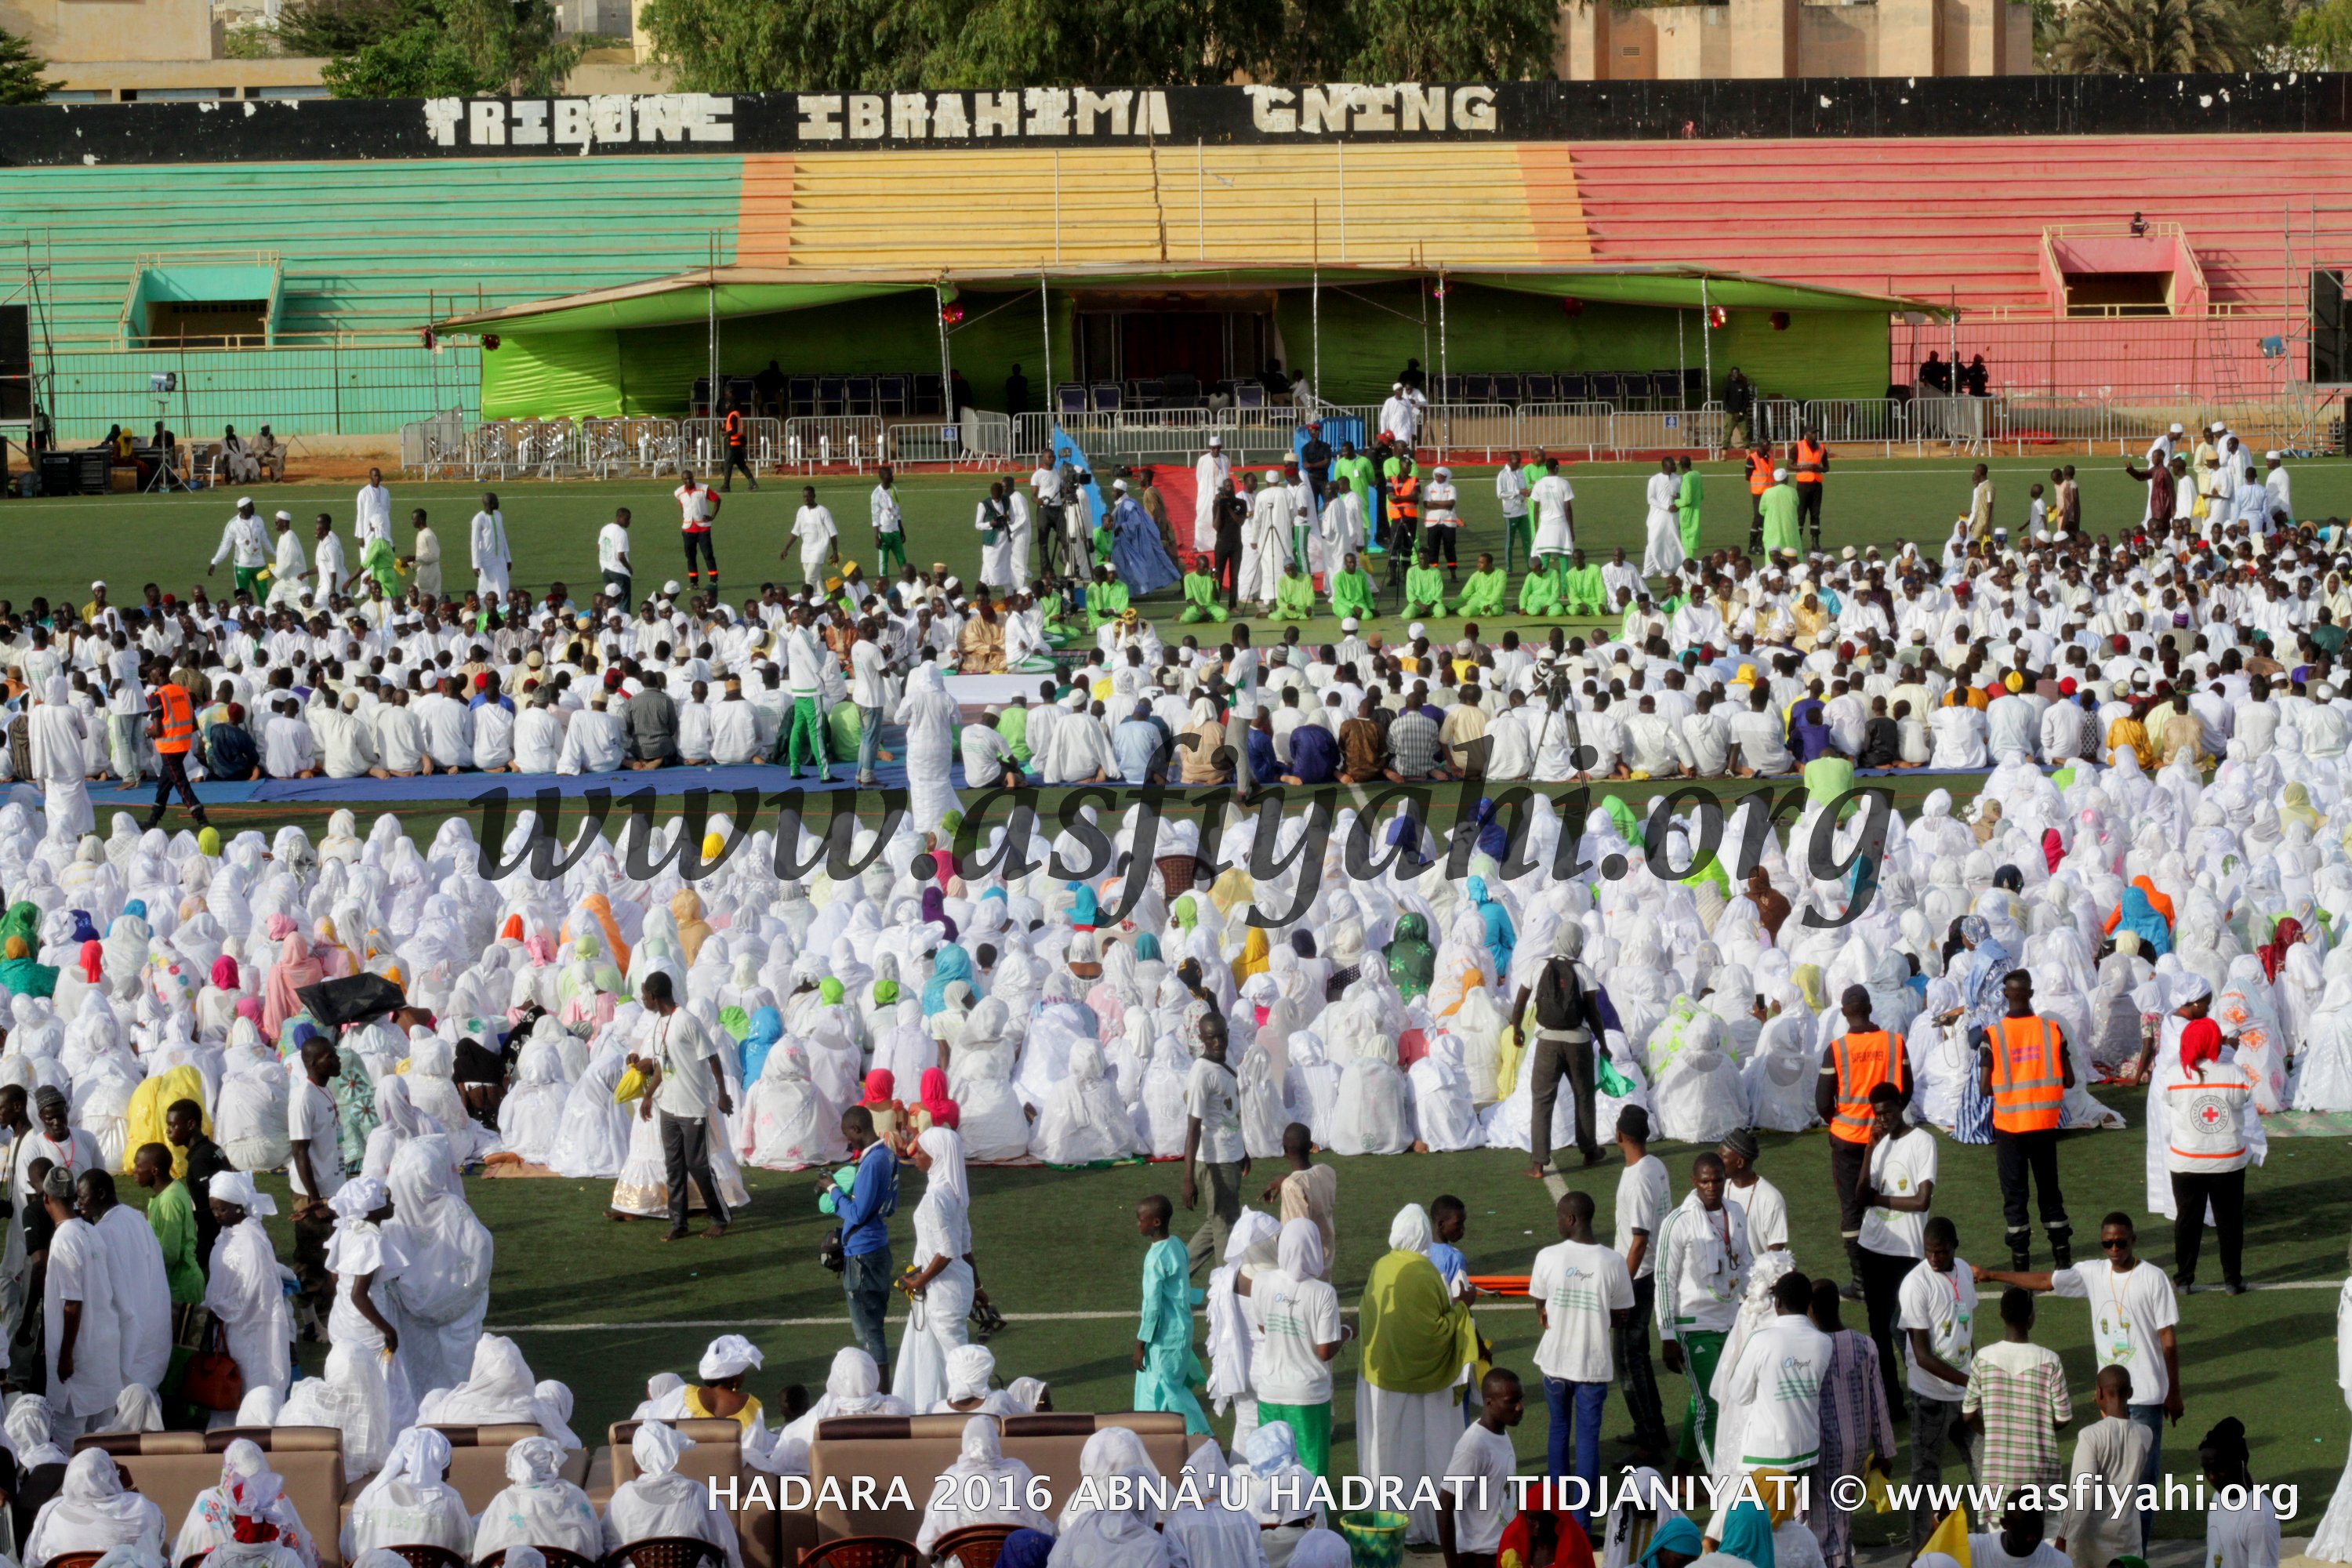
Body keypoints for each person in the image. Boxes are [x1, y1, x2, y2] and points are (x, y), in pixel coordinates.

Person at [1976, 1212, 2180, 1549]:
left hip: (2146, 1399)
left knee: (2140, 1487)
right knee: (2102, 1487)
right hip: (2110, 1401)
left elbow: (2167, 1338)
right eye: (2107, 1243)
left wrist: (2174, 1391)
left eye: (2121, 1242)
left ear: (2133, 1240)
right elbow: (2046, 1281)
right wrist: (1993, 1274)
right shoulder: (2092, 1273)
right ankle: (2102, 1551)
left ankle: (2136, 1555)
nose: (2114, 1249)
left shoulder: (2153, 1278)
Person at [1360, 1205, 1479, 1545]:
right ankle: (1436, 1522)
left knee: (1391, 1454)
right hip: (1429, 1384)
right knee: (1432, 1452)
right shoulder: (1426, 1272)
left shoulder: (1380, 1267)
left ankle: (1394, 1521)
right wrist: (1463, 1306)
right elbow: (1438, 1328)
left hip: (1384, 1381)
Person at [1528, 1189, 1632, 1523]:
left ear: (1570, 1219)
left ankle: (1556, 1514)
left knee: (1558, 1431)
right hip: (1593, 1365)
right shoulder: (1613, 1261)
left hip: (1556, 1362)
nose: (1557, 1221)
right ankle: (1581, 1523)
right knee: (1588, 1442)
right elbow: (1622, 1314)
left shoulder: (1547, 1256)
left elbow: (1540, 1305)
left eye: (1559, 1216)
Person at [1654, 1152, 1749, 1468]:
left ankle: (1681, 1470)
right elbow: (1664, 1280)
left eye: (1718, 1179)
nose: (1712, 1186)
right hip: (1693, 1325)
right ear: (1694, 1182)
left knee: (1709, 1398)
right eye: (1705, 1181)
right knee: (1712, 1403)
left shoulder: (1735, 1212)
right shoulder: (1678, 1222)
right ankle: (1722, 1482)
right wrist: (1667, 1335)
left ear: (1726, 1179)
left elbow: (1745, 1265)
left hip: (1731, 1322)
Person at [1978, 969, 2075, 1272]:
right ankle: (2062, 1257)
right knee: (2050, 1191)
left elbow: (1984, 1088)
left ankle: (2021, 1264)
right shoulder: (2052, 1029)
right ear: (2031, 994)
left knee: (2015, 1195)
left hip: (2010, 1128)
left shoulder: (1993, 1035)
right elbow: (2069, 1080)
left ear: (2005, 995)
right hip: (2045, 1125)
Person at [1819, 984, 1908, 1301]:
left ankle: (1861, 1281)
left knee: (1852, 1208)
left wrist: (1840, 1122)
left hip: (1847, 1141)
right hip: (1887, 1138)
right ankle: (1897, 1276)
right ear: (1870, 1008)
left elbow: (1822, 1102)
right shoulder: (1894, 1043)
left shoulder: (1837, 1049)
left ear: (1844, 1012)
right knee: (1891, 1204)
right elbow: (1906, 1090)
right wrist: (1886, 1122)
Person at [1236, 1218, 1344, 1478]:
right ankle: (1311, 1520)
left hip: (1271, 1390)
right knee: (1311, 1469)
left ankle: (1274, 1517)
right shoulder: (1322, 1292)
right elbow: (1325, 1351)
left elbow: (1264, 1328)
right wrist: (1348, 1332)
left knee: (1271, 1466)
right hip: (1307, 1394)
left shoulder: (1262, 1282)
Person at [631, 971, 731, 1241]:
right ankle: (679, 1224)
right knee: (673, 1166)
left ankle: (720, 1218)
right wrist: (650, 1095)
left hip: (692, 1107)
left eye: (644, 995)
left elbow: (712, 1058)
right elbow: (663, 1066)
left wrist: (722, 1094)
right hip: (668, 1107)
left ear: (654, 995)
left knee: (698, 1166)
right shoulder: (660, 1023)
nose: (643, 999)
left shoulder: (687, 1021)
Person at [1857, 1081, 1936, 1422]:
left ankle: (1928, 1395)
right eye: (1877, 1114)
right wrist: (1868, 1151)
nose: (1883, 1119)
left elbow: (1921, 1201)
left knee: (1906, 1328)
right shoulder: (1880, 1146)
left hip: (1907, 1251)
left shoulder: (1922, 1142)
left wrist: (1877, 1200)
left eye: (1888, 1111)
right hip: (1872, 1246)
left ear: (1901, 1105)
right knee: (1878, 1331)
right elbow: (1860, 1196)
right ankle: (1891, 1403)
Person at [1893, 1214, 1974, 1546]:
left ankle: (1991, 1542)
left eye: (1940, 1252)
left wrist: (1972, 1374)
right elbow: (1923, 1355)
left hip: (1965, 1393)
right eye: (1929, 1252)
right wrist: (1970, 1381)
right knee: (1926, 1475)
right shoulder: (1916, 1284)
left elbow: (1967, 1330)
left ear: (1954, 1246)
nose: (1934, 1258)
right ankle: (1920, 1549)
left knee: (1985, 1468)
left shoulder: (1965, 1271)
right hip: (1930, 1398)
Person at [2165, 1007, 2256, 1293]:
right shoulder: (2235, 1073)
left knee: (2187, 1221)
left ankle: (2184, 1278)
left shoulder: (2173, 1076)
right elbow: (2243, 1099)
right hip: (2227, 1160)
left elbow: (2169, 1100)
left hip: (2186, 1160)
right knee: (2229, 1221)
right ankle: (2233, 1279)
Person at [1512, 920, 1608, 1178]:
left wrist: (1517, 1030)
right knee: (1584, 1096)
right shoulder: (1582, 971)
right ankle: (1589, 1150)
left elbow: (1520, 1002)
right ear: (1577, 944)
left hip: (1548, 1042)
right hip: (1578, 1043)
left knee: (1542, 1100)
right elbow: (1594, 1013)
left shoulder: (1539, 966)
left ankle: (1538, 1163)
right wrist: (1604, 1044)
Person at [1809, 1277, 1892, 1568]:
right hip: (1857, 1445)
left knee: (1823, 1519)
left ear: (1811, 1310)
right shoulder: (1864, 1345)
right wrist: (1885, 1451)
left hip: (1824, 1445)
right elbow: (1879, 1401)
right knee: (1842, 1514)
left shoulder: (1811, 1348)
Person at [1964, 1283, 2071, 1504]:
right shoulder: (2049, 1360)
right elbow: (2063, 1418)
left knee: (1999, 1533)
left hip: (1997, 1475)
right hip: (2041, 1473)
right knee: (2046, 1532)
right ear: (2031, 1317)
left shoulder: (1982, 1359)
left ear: (2002, 1314)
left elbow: (1969, 1415)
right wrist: (2035, 1430)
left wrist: (1994, 1434)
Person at [42, 1165, 125, 1438]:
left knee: (70, 1439)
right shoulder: (90, 1231)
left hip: (79, 1356)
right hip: (102, 1350)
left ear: (46, 1199)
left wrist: (65, 1355)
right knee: (102, 1438)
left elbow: (73, 1303)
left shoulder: (65, 1238)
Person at [1612, 1107, 1673, 1467]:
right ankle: (1654, 1427)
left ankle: (1649, 1442)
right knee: (1638, 1356)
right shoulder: (1656, 1167)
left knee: (1627, 1360)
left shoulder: (1636, 1179)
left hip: (1636, 1277)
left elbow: (1638, 1240)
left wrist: (1620, 1289)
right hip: (1651, 1272)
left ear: (1620, 1135)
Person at [203, 1171, 292, 1413]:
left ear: (239, 1208)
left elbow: (255, 1288)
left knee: (252, 1379)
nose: (216, 1214)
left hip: (252, 1326)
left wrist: (220, 1309)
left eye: (221, 1209)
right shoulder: (227, 1234)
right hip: (232, 1324)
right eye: (213, 1209)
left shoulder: (251, 1240)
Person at [81, 1167, 171, 1399]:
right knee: (145, 1398)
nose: (78, 1204)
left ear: (101, 1193)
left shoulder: (103, 1231)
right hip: (154, 1325)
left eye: (82, 1197)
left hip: (131, 1334)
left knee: (128, 1405)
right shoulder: (135, 1217)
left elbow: (107, 1292)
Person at [604, 1422, 740, 1568]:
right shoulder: (701, 1493)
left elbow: (606, 1547)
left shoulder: (622, 1497)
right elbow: (728, 1544)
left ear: (636, 1460)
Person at [2055, 1366, 2151, 1568]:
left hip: (2093, 1545)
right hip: (2129, 1538)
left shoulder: (2090, 1436)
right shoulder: (2145, 1434)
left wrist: (2063, 1537)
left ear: (2098, 1393)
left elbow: (2082, 1494)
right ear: (2130, 1393)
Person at [1133, 1193, 1211, 1436]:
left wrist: (1140, 1343)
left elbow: (1153, 1306)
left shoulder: (1155, 1259)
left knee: (1167, 1388)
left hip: (1164, 1337)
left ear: (1155, 1222)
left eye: (1141, 1219)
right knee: (1160, 1387)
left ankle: (1201, 1435)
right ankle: (1159, 1435)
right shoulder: (1176, 1244)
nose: (1138, 1224)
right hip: (1182, 1329)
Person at [834, 1105, 898, 1374]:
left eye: (848, 1134)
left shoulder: (872, 1163)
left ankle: (882, 1397)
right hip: (877, 1246)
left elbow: (858, 1212)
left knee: (869, 1333)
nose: (848, 1141)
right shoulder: (887, 1156)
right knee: (874, 1326)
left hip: (863, 1254)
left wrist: (833, 1191)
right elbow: (888, 1206)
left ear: (857, 1129)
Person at [1439, 1368, 1525, 1568]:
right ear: (1489, 1403)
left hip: (1503, 1553)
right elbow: (1444, 1504)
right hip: (1479, 1558)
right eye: (1511, 1401)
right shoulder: (1474, 1445)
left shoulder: (1500, 1434)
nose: (1520, 1407)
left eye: (1520, 1399)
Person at [343, 1426, 471, 1560]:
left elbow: (347, 1546)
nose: (449, 1473)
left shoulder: (372, 1493)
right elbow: (465, 1549)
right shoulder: (449, 1498)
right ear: (439, 1463)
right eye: (447, 1465)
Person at [21, 1449, 166, 1566]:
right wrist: (129, 1485)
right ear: (112, 1476)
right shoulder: (140, 1507)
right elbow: (152, 1543)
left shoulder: (52, 1511)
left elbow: (31, 1560)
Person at [1182, 1013, 1247, 1276]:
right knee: (1224, 1227)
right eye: (1211, 1038)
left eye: (1221, 1035)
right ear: (1202, 1039)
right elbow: (1193, 1126)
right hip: (1215, 1162)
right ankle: (1226, 1287)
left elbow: (1232, 1111)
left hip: (1231, 1154)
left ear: (1227, 1032)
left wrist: (1244, 1150)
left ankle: (1175, 1273)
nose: (1218, 1042)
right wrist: (1188, 1178)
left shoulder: (1227, 1058)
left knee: (1219, 1220)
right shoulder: (1201, 1073)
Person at [471, 1436, 602, 1564]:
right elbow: (597, 1549)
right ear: (552, 1462)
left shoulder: (504, 1500)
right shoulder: (574, 1495)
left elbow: (482, 1554)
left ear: (515, 1465)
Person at [1719, 1131, 1786, 1251]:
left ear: (1740, 1162)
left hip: (1758, 1270)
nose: (1717, 1162)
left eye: (1723, 1157)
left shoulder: (1770, 1198)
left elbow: (1776, 1253)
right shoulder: (1718, 1189)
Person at [469, 492, 511, 601]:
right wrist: (475, 565)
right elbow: (474, 542)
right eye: (496, 500)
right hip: (486, 562)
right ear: (490, 503)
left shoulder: (498, 515)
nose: (498, 502)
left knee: (503, 590)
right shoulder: (479, 519)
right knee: (485, 592)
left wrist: (508, 558)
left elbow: (503, 537)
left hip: (500, 561)